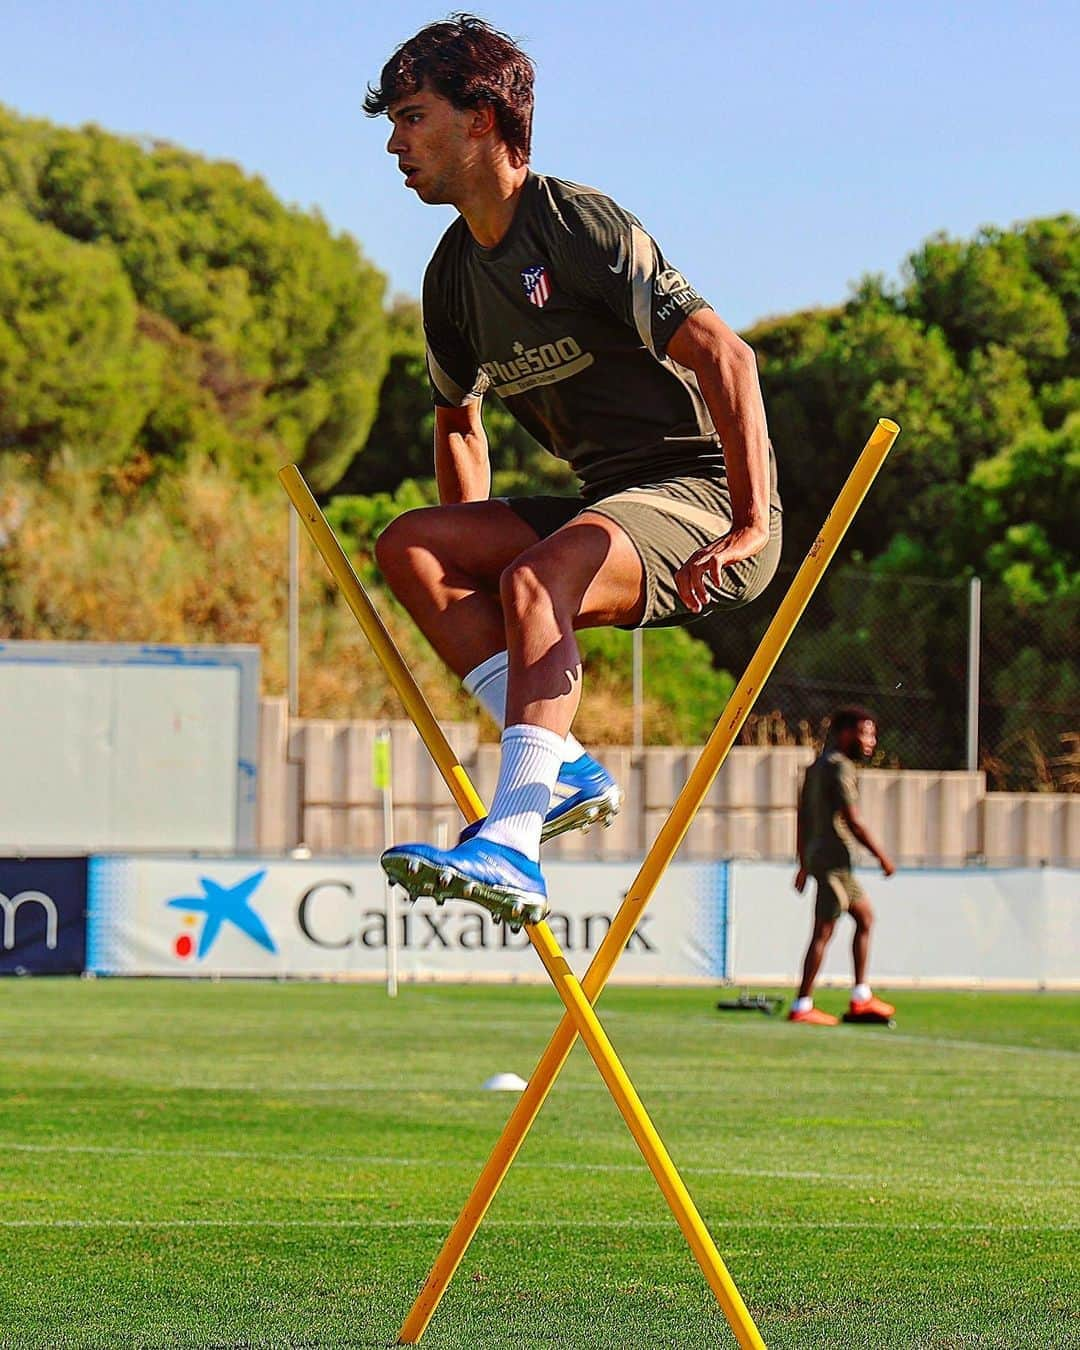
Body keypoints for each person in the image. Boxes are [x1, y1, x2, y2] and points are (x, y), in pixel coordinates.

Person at [365, 16, 782, 928]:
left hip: (703, 498)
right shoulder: (449, 279)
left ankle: (513, 841)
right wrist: (472, 570)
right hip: (608, 501)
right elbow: (458, 424)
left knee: (538, 576)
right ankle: (559, 773)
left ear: (482, 119)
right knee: (412, 547)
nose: (395, 144)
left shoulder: (576, 224)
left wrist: (751, 522)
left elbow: (729, 357)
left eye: (411, 117)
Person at [790, 707, 896, 1025]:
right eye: (865, 733)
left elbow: (803, 818)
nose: (871, 741)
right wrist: (882, 856)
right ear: (846, 733)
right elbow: (853, 820)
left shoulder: (816, 767)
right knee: (824, 930)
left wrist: (803, 862)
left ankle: (860, 997)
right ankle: (802, 1005)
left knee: (864, 919)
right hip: (833, 861)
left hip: (826, 860)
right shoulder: (840, 768)